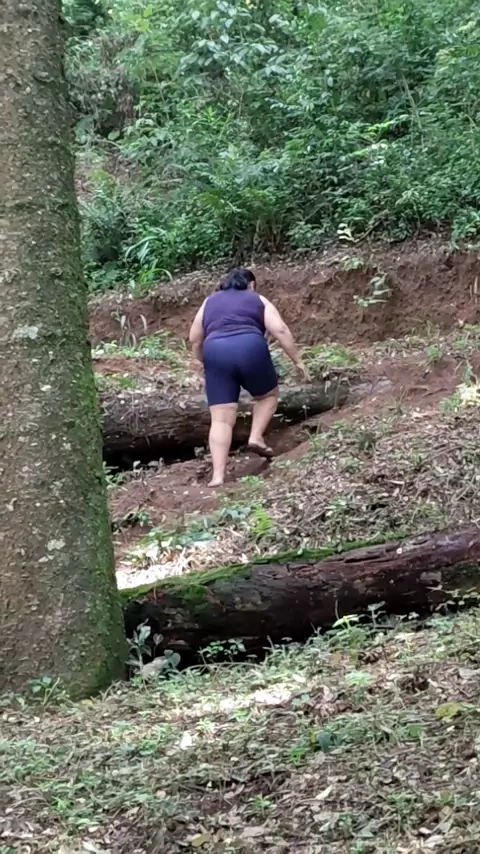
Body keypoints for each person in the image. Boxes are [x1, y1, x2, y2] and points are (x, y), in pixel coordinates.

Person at [189, 267, 308, 487]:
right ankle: (255, 436)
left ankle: (218, 477)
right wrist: (297, 361)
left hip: (215, 350)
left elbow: (195, 339)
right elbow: (280, 330)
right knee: (267, 396)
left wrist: (204, 360)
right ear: (251, 284)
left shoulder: (209, 302)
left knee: (221, 419)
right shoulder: (258, 299)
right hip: (250, 346)